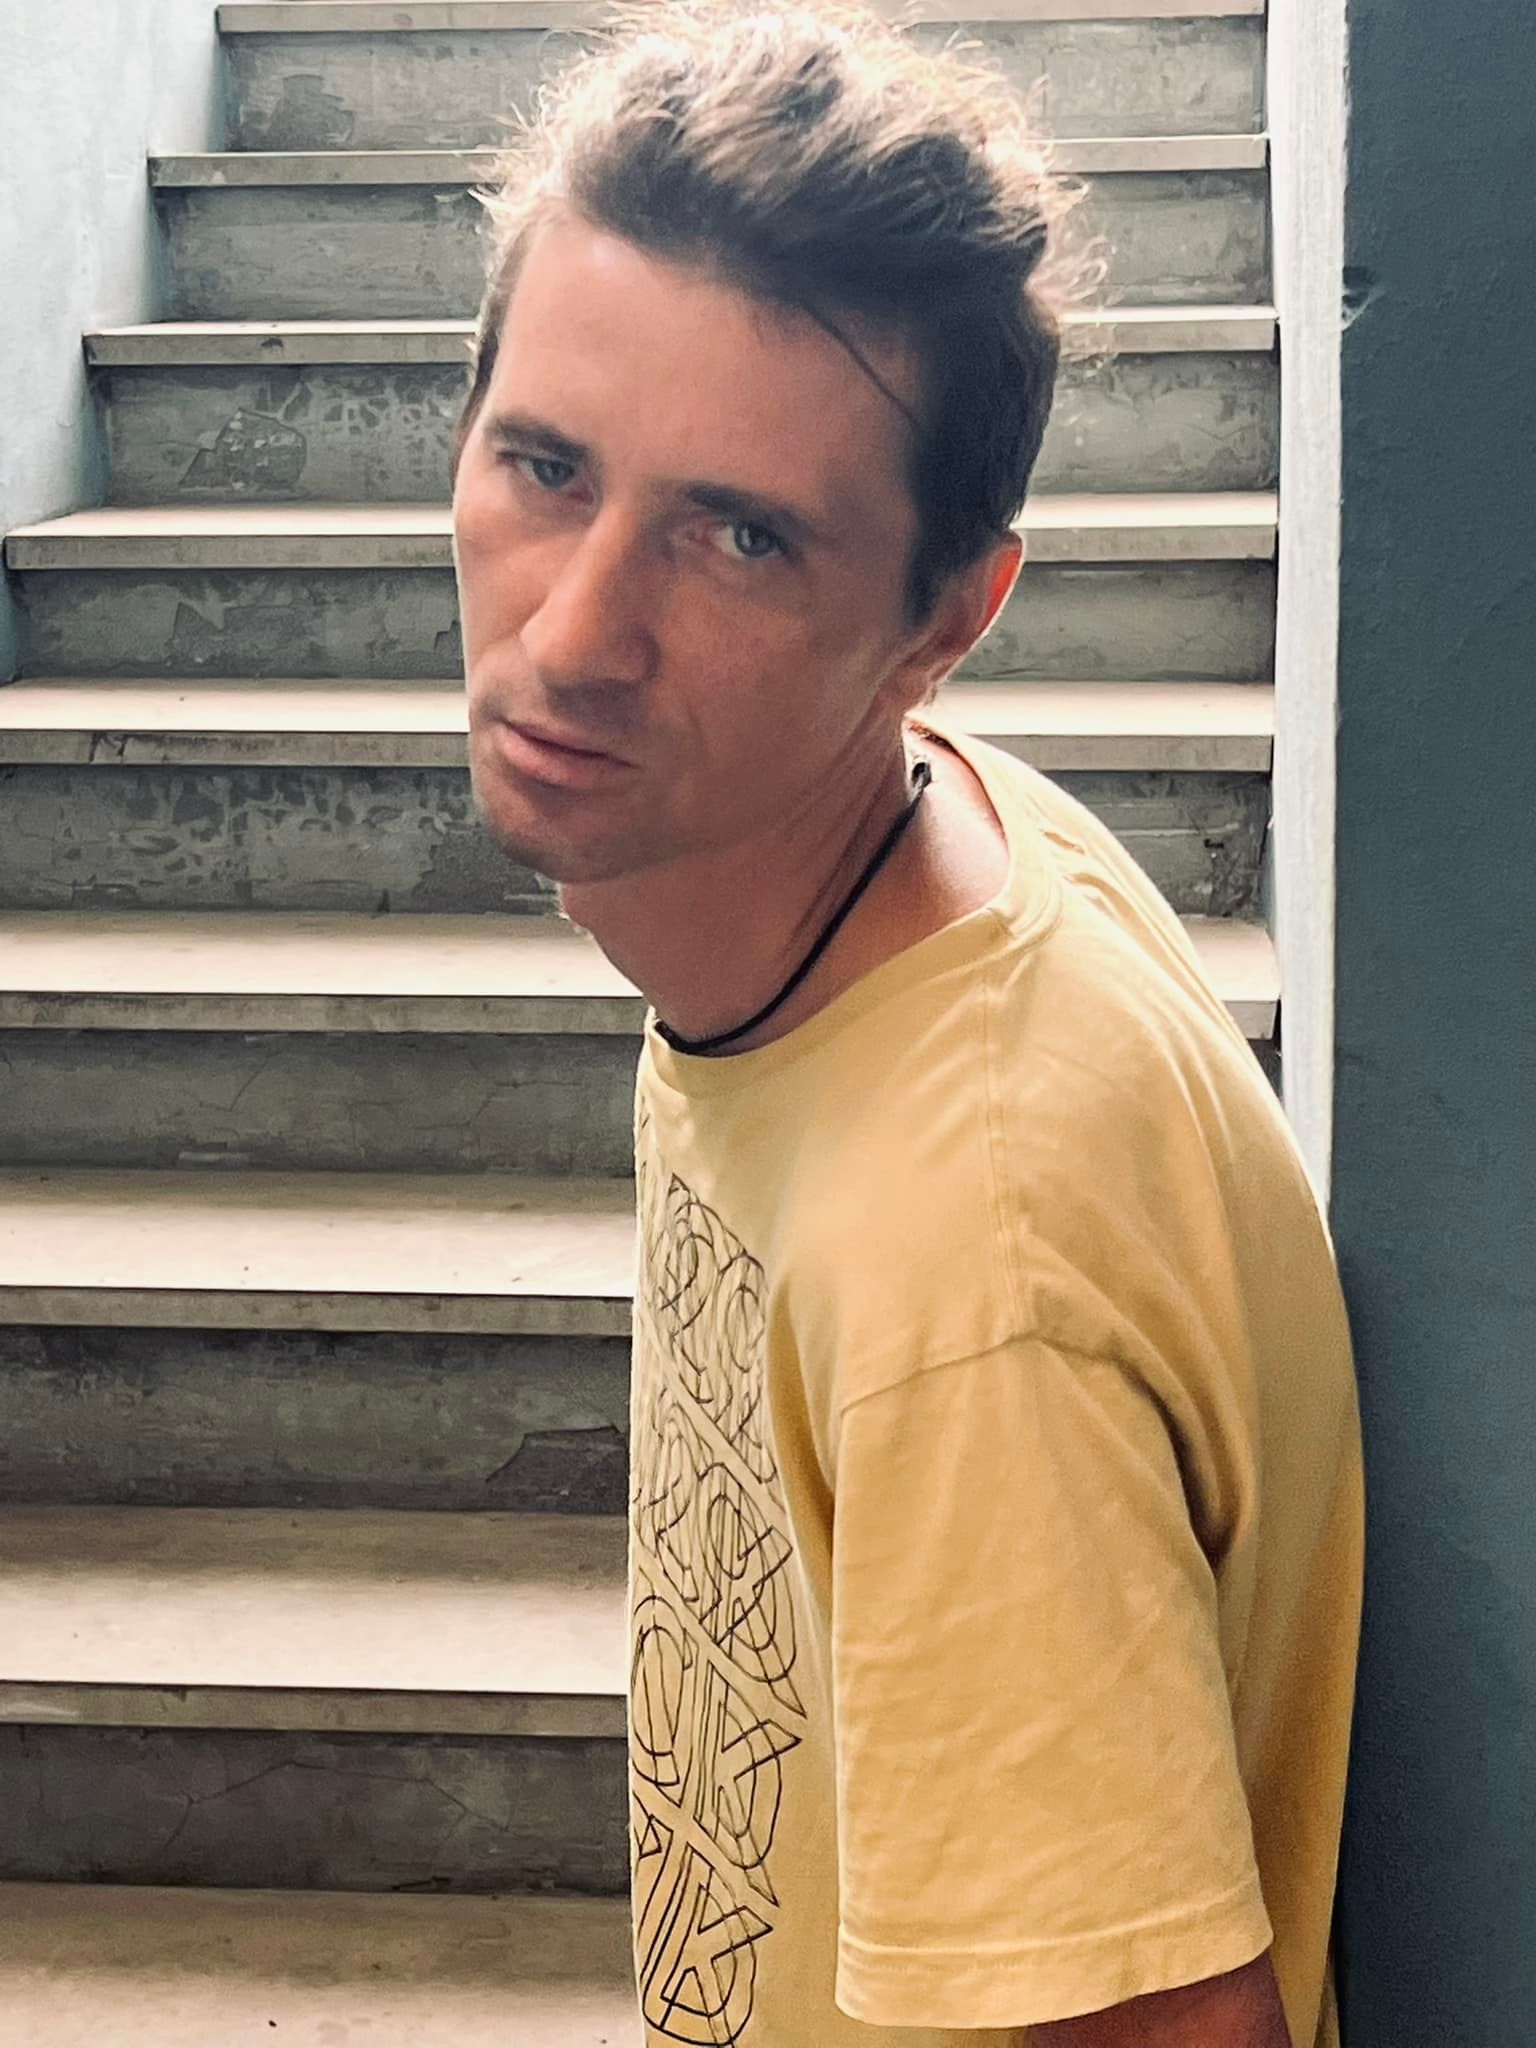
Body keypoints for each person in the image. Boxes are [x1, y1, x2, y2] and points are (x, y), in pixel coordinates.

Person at [449, 3, 1364, 2042]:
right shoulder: (900, 847)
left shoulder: (967, 1273)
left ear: (944, 620)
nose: (575, 632)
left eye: (741, 535)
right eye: (546, 466)